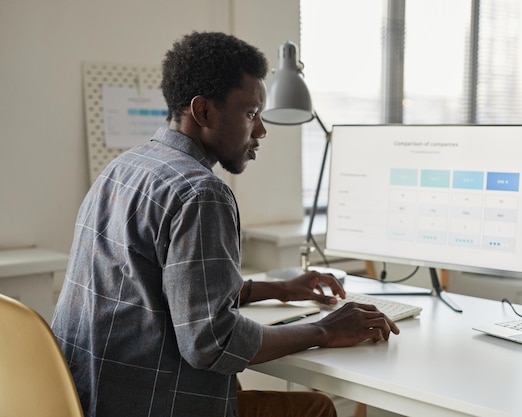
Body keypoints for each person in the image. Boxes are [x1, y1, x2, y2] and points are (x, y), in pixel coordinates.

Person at [51, 31, 399, 417]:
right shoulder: (200, 192)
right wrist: (326, 330)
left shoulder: (125, 167)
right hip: (149, 403)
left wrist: (278, 288)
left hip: (84, 395)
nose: (262, 130)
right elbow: (211, 342)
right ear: (203, 112)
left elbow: (172, 289)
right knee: (315, 408)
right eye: (251, 113)